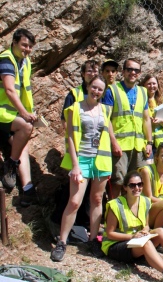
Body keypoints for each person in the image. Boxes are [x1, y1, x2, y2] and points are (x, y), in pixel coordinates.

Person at [51, 75, 111, 261]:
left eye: (100, 89)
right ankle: (62, 242)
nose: (96, 91)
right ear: (88, 86)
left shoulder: (106, 109)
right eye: (94, 87)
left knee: (97, 199)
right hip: (82, 160)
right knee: (75, 201)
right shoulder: (75, 107)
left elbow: (107, 134)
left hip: (101, 160)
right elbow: (69, 136)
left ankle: (93, 241)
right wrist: (75, 165)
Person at [102, 58, 153, 198]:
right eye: (129, 69)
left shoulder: (143, 92)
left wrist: (149, 142)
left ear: (140, 73)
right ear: (123, 72)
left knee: (136, 183)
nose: (133, 72)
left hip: (138, 146)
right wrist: (113, 142)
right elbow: (106, 119)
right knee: (118, 182)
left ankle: (130, 215)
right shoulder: (112, 91)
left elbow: (146, 119)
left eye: (136, 70)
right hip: (120, 146)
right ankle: (113, 215)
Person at [0, 28, 37, 206]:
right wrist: (24, 114)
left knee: (23, 142)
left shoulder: (25, 62)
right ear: (14, 42)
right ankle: (11, 164)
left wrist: (31, 112)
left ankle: (28, 190)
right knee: (25, 128)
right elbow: (9, 89)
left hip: (9, 115)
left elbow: (24, 91)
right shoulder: (7, 60)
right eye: (24, 45)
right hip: (2, 113)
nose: (27, 49)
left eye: (30, 46)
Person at [61, 60, 99, 128]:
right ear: (83, 74)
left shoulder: (103, 93)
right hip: (78, 137)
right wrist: (71, 136)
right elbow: (64, 119)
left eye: (95, 71)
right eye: (89, 71)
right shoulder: (74, 93)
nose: (92, 74)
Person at [141, 74, 163, 151]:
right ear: (144, 85)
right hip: (145, 140)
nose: (152, 86)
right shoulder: (140, 100)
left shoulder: (161, 102)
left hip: (159, 142)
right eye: (149, 84)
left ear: (157, 85)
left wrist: (160, 121)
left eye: (154, 83)